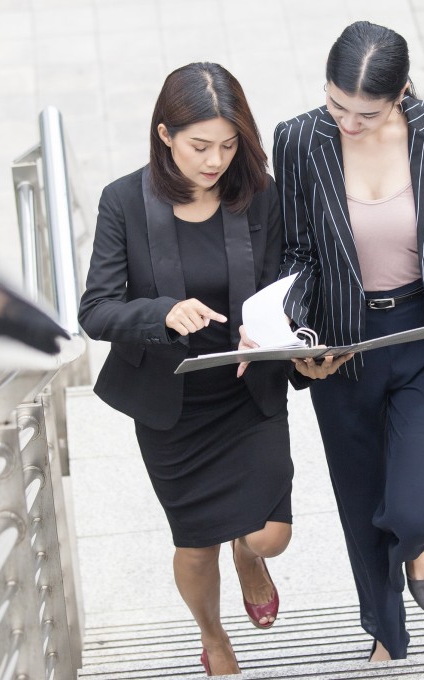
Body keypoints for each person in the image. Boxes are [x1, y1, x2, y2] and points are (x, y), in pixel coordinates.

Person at [272, 21, 424, 661]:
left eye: (365, 113)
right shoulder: (298, 140)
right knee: (361, 497)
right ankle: (385, 635)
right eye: (336, 104)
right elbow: (297, 253)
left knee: (412, 506)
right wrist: (297, 335)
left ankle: (419, 539)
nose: (347, 122)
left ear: (400, 95)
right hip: (346, 343)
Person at [78, 62, 292, 677]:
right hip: (172, 409)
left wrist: (274, 332)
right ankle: (213, 637)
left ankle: (248, 554)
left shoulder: (260, 194)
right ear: (165, 135)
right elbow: (95, 310)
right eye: (200, 146)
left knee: (270, 535)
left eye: (228, 145)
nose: (215, 161)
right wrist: (162, 313)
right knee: (196, 546)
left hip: (246, 392)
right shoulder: (124, 201)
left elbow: (286, 283)